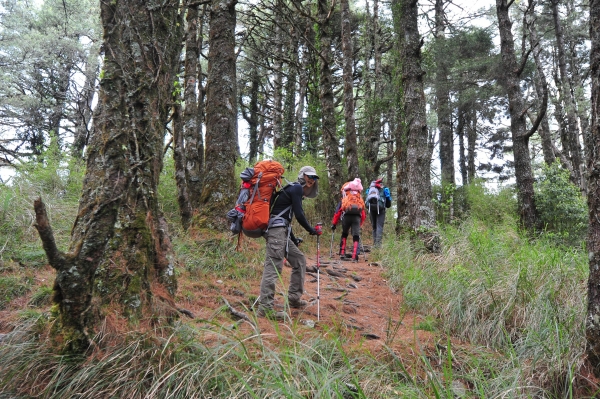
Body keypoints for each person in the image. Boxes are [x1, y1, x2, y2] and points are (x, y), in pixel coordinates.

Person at [257, 166, 323, 320]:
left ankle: (293, 298)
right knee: (273, 267)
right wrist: (310, 230)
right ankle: (265, 309)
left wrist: (293, 239)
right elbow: (299, 214)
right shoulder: (296, 188)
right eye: (309, 177)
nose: (311, 180)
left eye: (314, 178)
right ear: (302, 176)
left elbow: (285, 217)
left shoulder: (292, 190)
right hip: (276, 233)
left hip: (282, 232)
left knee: (299, 259)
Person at [331, 178, 366, 262]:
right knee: (356, 236)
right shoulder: (358, 197)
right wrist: (360, 223)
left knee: (344, 233)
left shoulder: (345, 197)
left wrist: (334, 224)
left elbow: (337, 212)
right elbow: (363, 213)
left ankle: (342, 253)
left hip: (346, 217)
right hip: (357, 217)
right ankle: (355, 256)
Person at [366, 178, 392, 248]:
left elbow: (367, 201)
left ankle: (374, 244)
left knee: (374, 227)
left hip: (371, 209)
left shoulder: (370, 189)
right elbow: (388, 205)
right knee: (379, 226)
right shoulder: (385, 189)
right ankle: (378, 245)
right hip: (381, 210)